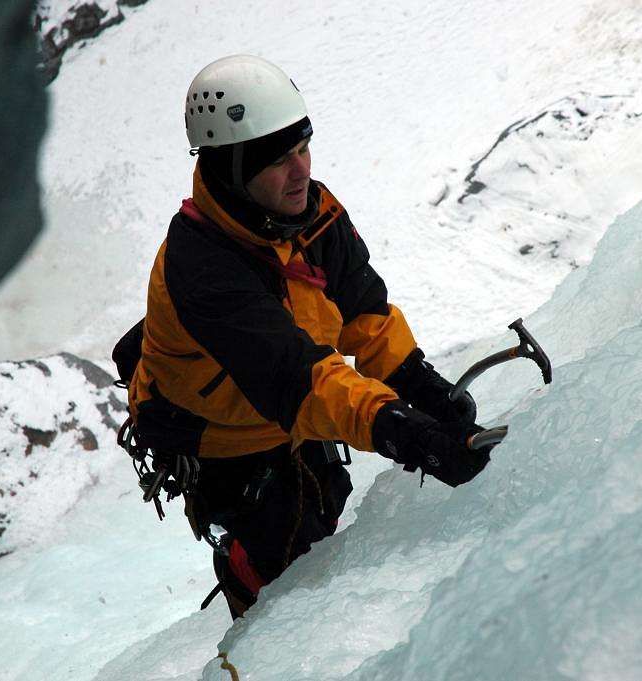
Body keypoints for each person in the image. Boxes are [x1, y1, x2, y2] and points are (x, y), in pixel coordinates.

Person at [124, 54, 493, 619]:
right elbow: (297, 380)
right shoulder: (202, 266)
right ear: (229, 170)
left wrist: (424, 385)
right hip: (221, 433)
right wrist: (403, 432)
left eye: (303, 148)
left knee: (325, 499)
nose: (301, 172)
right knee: (286, 551)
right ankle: (247, 594)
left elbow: (363, 312)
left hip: (284, 400)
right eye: (277, 160)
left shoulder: (309, 212)